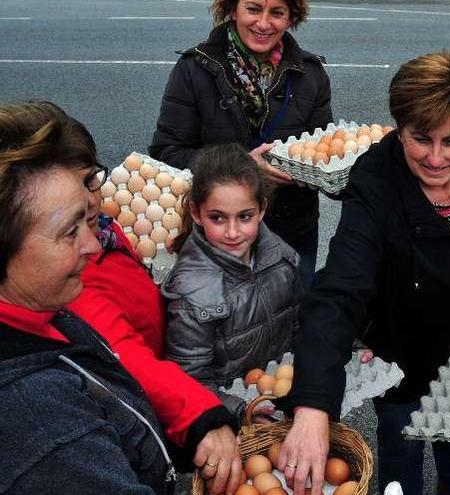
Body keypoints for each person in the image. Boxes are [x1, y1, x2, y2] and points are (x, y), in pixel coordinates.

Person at [279, 51, 450, 495]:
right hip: (399, 356)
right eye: (421, 139)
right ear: (399, 130)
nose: (435, 158)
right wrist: (313, 404)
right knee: (401, 461)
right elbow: (340, 287)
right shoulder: (375, 183)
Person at [47, 104, 241, 494]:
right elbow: (122, 352)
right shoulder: (65, 276)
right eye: (68, 225)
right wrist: (201, 412)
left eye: (90, 180)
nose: (88, 201)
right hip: (135, 392)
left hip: (156, 370)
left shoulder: (103, 229)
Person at [0, 102, 174, 493]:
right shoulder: (44, 429)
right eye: (68, 231)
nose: (94, 245)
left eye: (86, 220)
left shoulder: (44, 311)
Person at [149, 0, 332, 287]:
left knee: (293, 318)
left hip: (292, 230)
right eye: (254, 9)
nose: (263, 23)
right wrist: (243, 165)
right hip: (217, 233)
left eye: (277, 13)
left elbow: (322, 151)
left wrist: (326, 170)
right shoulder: (195, 69)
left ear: (291, 17)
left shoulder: (310, 74)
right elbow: (167, 152)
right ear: (233, 10)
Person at [162, 143, 302, 421]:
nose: (233, 232)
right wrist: (241, 412)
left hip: (283, 399)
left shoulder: (282, 257)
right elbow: (191, 380)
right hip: (231, 419)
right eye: (217, 218)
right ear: (196, 213)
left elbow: (299, 325)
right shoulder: (192, 293)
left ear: (262, 209)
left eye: (245, 217)